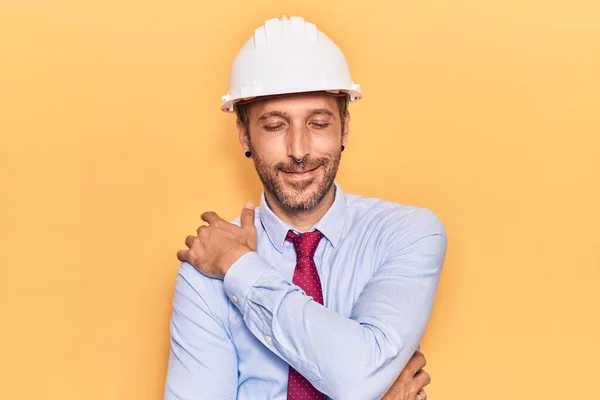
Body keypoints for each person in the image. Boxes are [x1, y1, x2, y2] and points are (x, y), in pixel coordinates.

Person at [164, 16, 447, 400]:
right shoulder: (203, 274)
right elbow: (360, 384)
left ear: (344, 128)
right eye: (275, 126)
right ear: (244, 134)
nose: (299, 150)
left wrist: (240, 268)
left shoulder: (407, 234)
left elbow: (354, 378)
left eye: (318, 123)